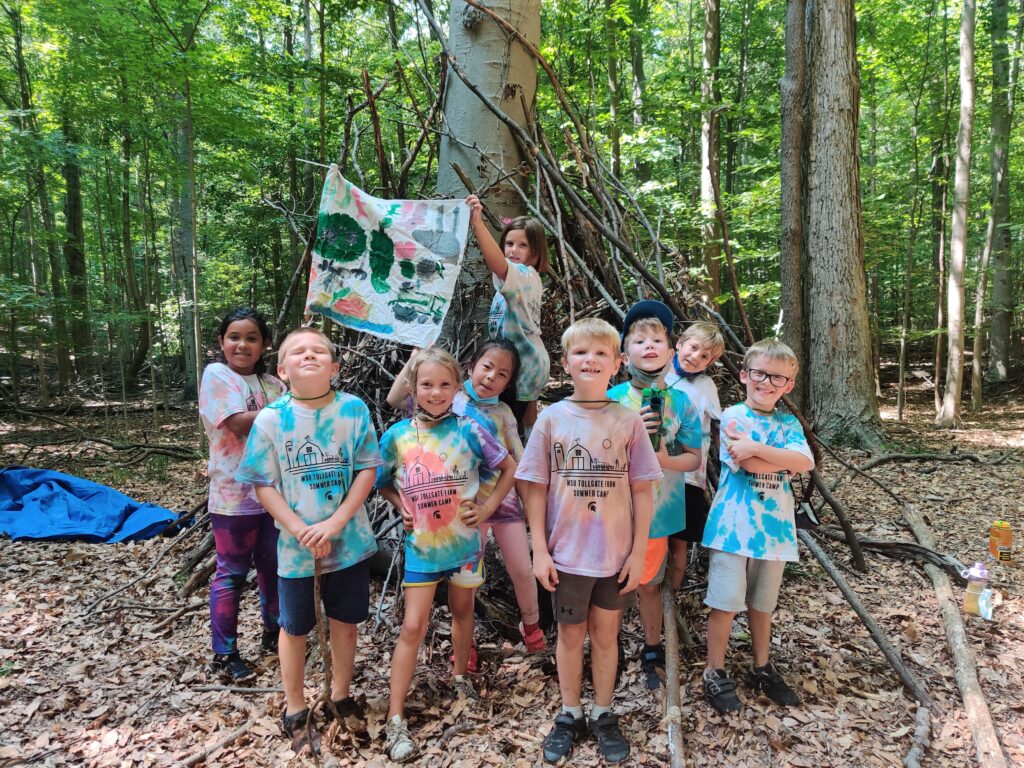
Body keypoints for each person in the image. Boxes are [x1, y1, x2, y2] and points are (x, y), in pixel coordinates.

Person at [517, 318, 662, 764]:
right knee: (568, 634)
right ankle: (569, 712)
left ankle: (602, 711)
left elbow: (643, 489)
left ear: (617, 364)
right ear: (565, 362)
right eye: (581, 353)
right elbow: (534, 488)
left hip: (616, 556)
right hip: (566, 556)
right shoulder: (551, 419)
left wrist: (639, 552)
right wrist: (539, 550)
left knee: (606, 635)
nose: (590, 360)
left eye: (601, 353)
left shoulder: (628, 421)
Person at [237, 327, 381, 747]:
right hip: (296, 550)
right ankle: (295, 705)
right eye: (297, 351)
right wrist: (299, 528)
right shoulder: (271, 419)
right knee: (294, 626)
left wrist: (335, 523)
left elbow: (367, 469)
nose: (310, 355)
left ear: (335, 367)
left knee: (346, 623)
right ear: (282, 369)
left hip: (349, 543)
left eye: (320, 350)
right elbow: (263, 483)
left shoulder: (353, 411)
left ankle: (341, 694)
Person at [376, 347, 518, 763]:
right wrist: (397, 502)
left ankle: (459, 677)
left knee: (462, 610)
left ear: (458, 387)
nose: (435, 392)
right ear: (413, 389)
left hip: (465, 546)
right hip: (422, 547)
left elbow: (507, 467)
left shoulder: (471, 429)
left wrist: (488, 508)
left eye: (444, 384)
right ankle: (395, 717)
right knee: (413, 626)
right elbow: (381, 479)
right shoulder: (398, 436)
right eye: (426, 384)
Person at [387, 341, 544, 656]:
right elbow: (395, 399)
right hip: (462, 508)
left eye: (501, 374)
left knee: (522, 570)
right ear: (471, 366)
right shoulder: (450, 400)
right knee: (466, 580)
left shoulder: (502, 413)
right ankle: (466, 647)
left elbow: (519, 460)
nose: (490, 377)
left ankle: (532, 626)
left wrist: (530, 506)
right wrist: (416, 359)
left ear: (508, 382)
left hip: (504, 502)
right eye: (486, 367)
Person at [701, 339, 814, 714]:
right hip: (733, 527)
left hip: (775, 530)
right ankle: (713, 670)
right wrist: (782, 461)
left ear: (788, 385)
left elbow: (805, 462)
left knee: (762, 604)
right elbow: (747, 465)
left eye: (777, 378)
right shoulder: (733, 416)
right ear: (745, 375)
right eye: (760, 374)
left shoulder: (787, 422)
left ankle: (761, 667)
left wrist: (761, 451)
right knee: (725, 601)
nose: (767, 383)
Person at [607, 301, 701, 690]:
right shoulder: (609, 398)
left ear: (671, 348)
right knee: (609, 582)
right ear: (624, 353)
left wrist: (664, 456)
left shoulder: (682, 402)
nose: (649, 347)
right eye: (639, 340)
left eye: (657, 340)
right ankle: (607, 647)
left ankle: (651, 647)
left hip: (659, 512)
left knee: (648, 582)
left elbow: (694, 457)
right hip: (611, 511)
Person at [199, 307, 286, 682]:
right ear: (222, 342)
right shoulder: (217, 375)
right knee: (232, 573)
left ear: (265, 344)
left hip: (274, 494)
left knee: (273, 567)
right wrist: (295, 406)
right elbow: (236, 423)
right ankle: (225, 652)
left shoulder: (274, 385)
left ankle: (273, 631)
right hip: (233, 495)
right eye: (234, 337)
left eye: (252, 338)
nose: (242, 345)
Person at [465, 194, 551, 436]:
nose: (513, 250)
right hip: (520, 362)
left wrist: (478, 224)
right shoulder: (513, 282)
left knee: (508, 425)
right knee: (523, 419)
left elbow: (498, 264)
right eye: (509, 244)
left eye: (523, 246)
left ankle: (514, 465)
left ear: (535, 253)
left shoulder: (524, 275)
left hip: (524, 365)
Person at [663, 321, 725, 592]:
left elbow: (719, 426)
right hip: (654, 471)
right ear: (680, 343)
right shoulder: (658, 373)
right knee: (651, 539)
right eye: (693, 348)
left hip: (689, 476)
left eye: (705, 356)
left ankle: (672, 596)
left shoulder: (706, 386)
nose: (695, 357)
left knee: (680, 542)